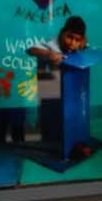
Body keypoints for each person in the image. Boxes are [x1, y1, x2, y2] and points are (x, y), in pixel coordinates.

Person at [27, 15, 87, 150]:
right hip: (48, 82)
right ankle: (48, 142)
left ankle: (64, 140)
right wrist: (48, 54)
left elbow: (81, 43)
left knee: (64, 115)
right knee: (48, 116)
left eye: (77, 40)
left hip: (64, 84)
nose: (72, 43)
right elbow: (31, 50)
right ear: (63, 33)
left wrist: (82, 42)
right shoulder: (52, 44)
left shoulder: (78, 44)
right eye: (69, 37)